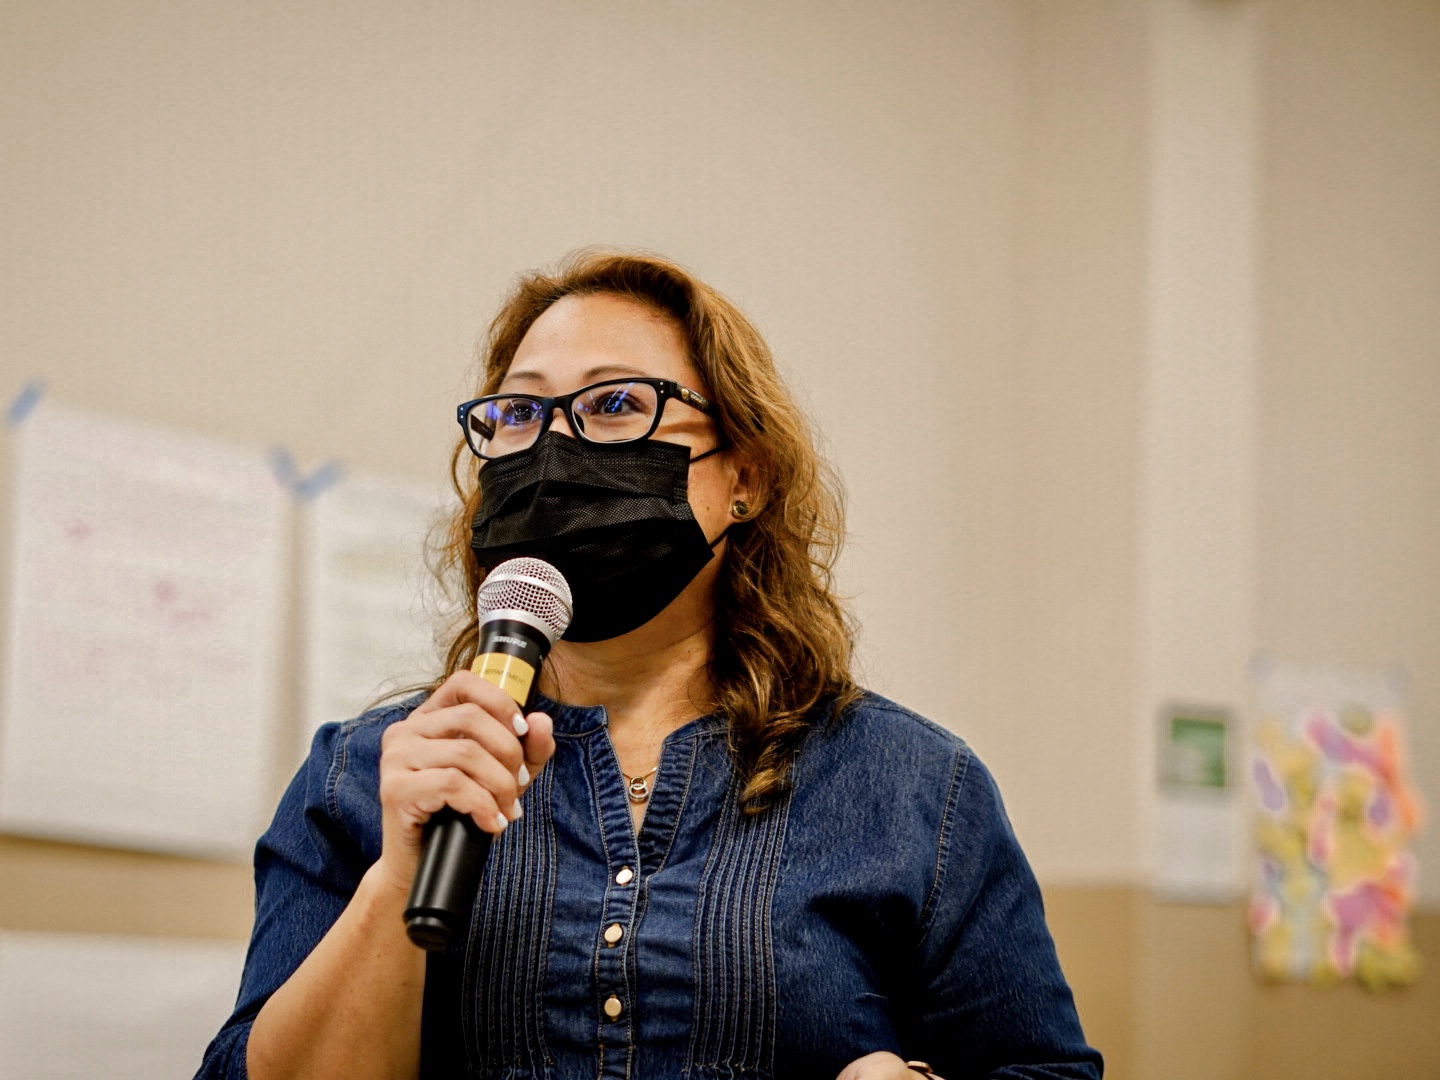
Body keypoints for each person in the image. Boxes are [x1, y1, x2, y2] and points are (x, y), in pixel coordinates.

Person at [195, 251, 1103, 1080]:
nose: (554, 449)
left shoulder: (914, 787)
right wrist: (398, 877)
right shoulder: (366, 774)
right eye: (519, 413)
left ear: (743, 475)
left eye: (617, 403)